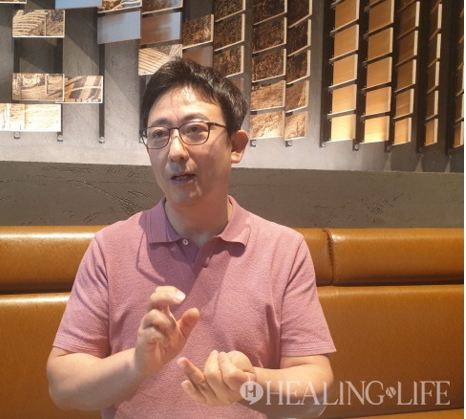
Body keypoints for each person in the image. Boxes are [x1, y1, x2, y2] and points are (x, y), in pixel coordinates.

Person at [46, 58, 335, 419]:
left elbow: (316, 387)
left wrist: (249, 384)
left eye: (196, 130)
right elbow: (62, 385)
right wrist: (136, 364)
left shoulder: (283, 249)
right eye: (159, 134)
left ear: (236, 145)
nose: (176, 151)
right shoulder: (110, 248)